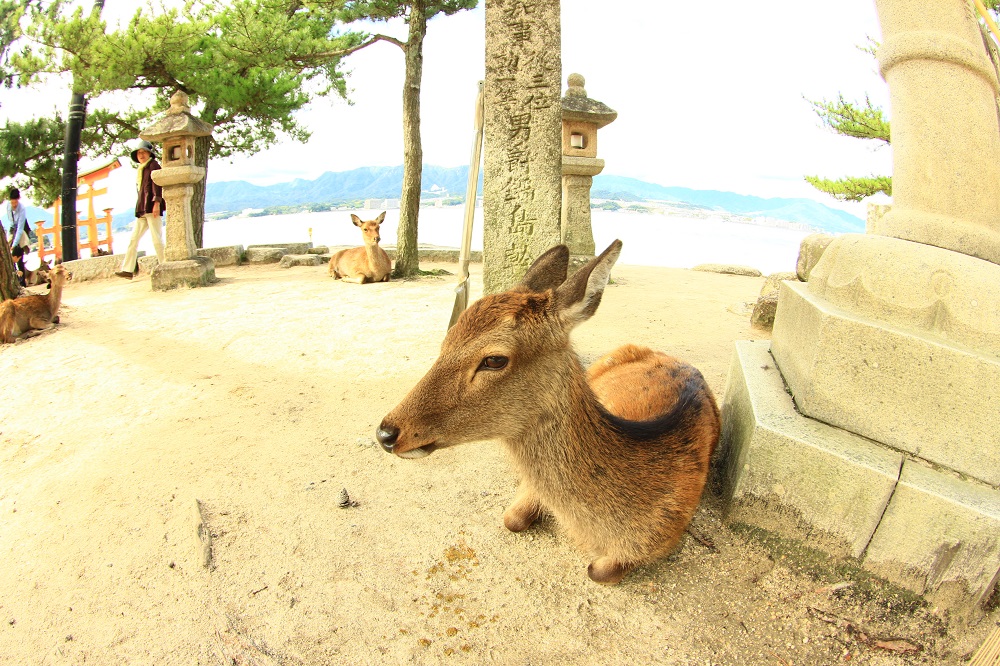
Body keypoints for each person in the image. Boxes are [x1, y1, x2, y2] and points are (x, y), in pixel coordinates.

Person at [116, 139, 166, 279]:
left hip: (151, 207)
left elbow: (157, 184)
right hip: (142, 209)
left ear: (149, 153)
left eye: (144, 152)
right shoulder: (142, 168)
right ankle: (128, 269)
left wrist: (157, 203)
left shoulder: (153, 165)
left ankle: (165, 265)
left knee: (157, 238)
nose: (141, 155)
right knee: (133, 240)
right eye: (139, 153)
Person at [7, 187, 30, 287]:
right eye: (12, 203)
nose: (14, 205)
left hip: (22, 230)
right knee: (10, 256)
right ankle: (15, 280)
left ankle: (22, 283)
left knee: (19, 257)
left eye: (15, 202)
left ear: (18, 200)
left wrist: (15, 244)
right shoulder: (8, 206)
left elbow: (20, 229)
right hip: (13, 229)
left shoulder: (22, 209)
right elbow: (11, 222)